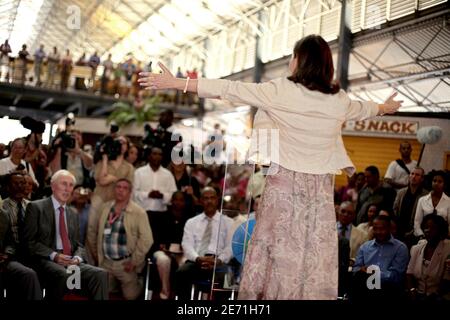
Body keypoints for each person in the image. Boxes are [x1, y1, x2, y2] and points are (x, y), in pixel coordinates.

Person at [138, 34, 403, 300]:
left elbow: (230, 89)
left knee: (275, 255)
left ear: (300, 60)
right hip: (319, 196)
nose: (290, 60)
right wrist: (384, 107)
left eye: (293, 55)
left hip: (283, 188)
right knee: (309, 258)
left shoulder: (280, 91)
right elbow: (364, 108)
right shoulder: (339, 100)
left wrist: (177, 82)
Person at [23, 170, 108, 300]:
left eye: (70, 185)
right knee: (65, 274)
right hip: (45, 259)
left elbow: (79, 245)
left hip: (70, 260)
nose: (67, 189)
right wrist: (54, 256)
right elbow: (29, 242)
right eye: (63, 184)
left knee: (101, 274)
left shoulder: (73, 213)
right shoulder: (36, 207)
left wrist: (78, 258)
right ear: (53, 186)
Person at [91, 179, 152, 300]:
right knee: (100, 292)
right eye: (118, 187)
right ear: (114, 190)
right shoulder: (105, 207)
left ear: (130, 192)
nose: (121, 190)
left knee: (130, 296)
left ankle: (138, 280)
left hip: (125, 263)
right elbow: (95, 232)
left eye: (125, 188)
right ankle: (115, 284)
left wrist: (134, 261)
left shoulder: (138, 212)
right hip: (106, 262)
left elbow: (147, 239)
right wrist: (98, 256)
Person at [175, 187, 233, 299]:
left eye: (212, 198)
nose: (209, 201)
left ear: (217, 200)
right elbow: (187, 245)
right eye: (206, 198)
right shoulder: (191, 222)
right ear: (201, 201)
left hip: (218, 262)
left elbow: (230, 247)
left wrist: (219, 260)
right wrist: (198, 258)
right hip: (196, 261)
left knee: (227, 277)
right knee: (181, 273)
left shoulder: (228, 222)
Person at [0, 172, 42, 300]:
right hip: (12, 254)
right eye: (16, 183)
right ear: (7, 187)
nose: (20, 186)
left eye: (23, 183)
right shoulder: (2, 207)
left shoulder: (33, 206)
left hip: (31, 252)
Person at [351, 215, 409, 300]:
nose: (378, 232)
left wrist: (374, 273)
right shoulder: (365, 247)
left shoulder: (400, 248)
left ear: (389, 228)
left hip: (389, 292)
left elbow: (397, 276)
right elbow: (356, 268)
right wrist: (360, 270)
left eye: (382, 229)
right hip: (365, 289)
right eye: (375, 228)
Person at [406, 214, 450, 300]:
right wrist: (412, 290)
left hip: (440, 297)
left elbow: (447, 281)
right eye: (426, 227)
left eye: (433, 228)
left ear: (440, 230)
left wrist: (432, 298)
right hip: (418, 295)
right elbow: (409, 274)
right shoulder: (416, 248)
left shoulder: (448, 249)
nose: (428, 231)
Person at [414, 170, 450, 238]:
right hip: (423, 237)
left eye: (440, 181)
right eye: (434, 181)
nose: (436, 183)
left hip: (443, 238)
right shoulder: (422, 200)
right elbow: (417, 223)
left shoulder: (449, 202)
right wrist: (422, 236)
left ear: (444, 184)